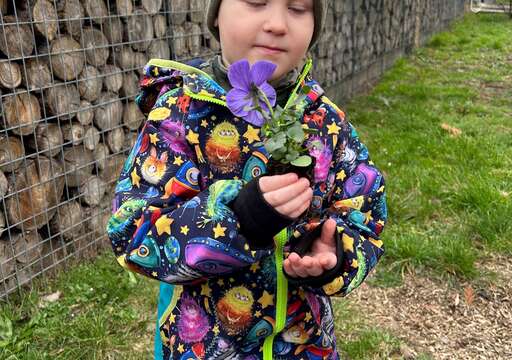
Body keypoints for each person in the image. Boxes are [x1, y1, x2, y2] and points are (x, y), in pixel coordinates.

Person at [107, 0, 387, 359]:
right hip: (202, 347)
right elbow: (133, 233)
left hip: (306, 347)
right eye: (256, 1)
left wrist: (334, 252)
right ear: (216, 15)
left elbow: (364, 211)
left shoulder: (326, 123)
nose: (277, 24)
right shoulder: (181, 114)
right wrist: (240, 219)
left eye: (299, 8)